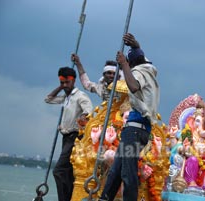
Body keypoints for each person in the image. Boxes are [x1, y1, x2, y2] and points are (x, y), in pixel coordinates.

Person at [99, 33, 160, 201]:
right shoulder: (147, 68)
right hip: (137, 130)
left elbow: (133, 86)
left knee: (128, 172)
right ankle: (105, 198)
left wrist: (124, 64)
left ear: (133, 64)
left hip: (134, 130)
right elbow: (140, 56)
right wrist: (135, 45)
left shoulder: (140, 71)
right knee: (117, 170)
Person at [45, 67, 93, 201]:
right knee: (68, 172)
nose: (65, 85)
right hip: (65, 138)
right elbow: (48, 99)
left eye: (68, 82)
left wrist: (84, 116)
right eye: (62, 82)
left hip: (75, 138)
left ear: (74, 81)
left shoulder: (80, 96)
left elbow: (88, 110)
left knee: (59, 171)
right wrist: (61, 87)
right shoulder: (66, 97)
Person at [71, 34, 140, 101]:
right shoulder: (101, 87)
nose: (112, 76)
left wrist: (135, 45)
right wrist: (78, 63)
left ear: (118, 76)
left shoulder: (125, 85)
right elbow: (86, 84)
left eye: (114, 74)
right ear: (104, 75)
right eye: (109, 73)